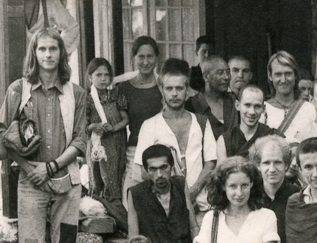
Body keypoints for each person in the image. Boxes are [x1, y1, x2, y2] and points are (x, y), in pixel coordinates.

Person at [0, 28, 87, 243]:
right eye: (42, 49)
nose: (48, 55)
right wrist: (28, 167)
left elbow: (80, 141)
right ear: (33, 53)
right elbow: (4, 137)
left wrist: (50, 167)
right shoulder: (18, 91)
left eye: (54, 49)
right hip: (31, 187)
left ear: (62, 55)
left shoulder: (76, 93)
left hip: (66, 186)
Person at [131, 58, 217, 216]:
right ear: (162, 91)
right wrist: (172, 196)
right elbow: (141, 171)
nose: (174, 93)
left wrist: (192, 192)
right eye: (169, 89)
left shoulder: (202, 122)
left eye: (179, 88)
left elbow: (210, 163)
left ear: (188, 91)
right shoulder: (150, 125)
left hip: (202, 207)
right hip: (164, 209)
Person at [125, 145, 198, 243]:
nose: (159, 175)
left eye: (164, 167)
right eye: (153, 169)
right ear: (146, 171)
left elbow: (193, 227)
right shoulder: (136, 193)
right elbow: (134, 241)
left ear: (172, 167)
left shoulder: (180, 184)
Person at [250, 135, 300, 243]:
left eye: (278, 162)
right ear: (258, 165)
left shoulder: (299, 197)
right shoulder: (249, 199)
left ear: (286, 165)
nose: (272, 169)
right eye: (266, 163)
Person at [84, 58, 129, 228]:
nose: (103, 79)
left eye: (106, 75)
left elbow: (125, 119)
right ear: (90, 77)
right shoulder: (88, 99)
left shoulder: (116, 94)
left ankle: (118, 217)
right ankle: (104, 217)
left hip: (116, 142)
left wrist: (114, 128)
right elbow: (83, 125)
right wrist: (95, 126)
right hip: (98, 145)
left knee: (116, 177)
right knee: (101, 179)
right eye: (98, 75)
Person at [116, 37, 163, 194]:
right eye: (141, 57)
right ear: (133, 58)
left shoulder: (164, 87)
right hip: (134, 153)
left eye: (150, 56)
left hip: (162, 151)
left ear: (157, 58)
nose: (145, 62)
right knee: (130, 199)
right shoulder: (124, 88)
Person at [263, 51, 314, 139]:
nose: (283, 80)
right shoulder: (263, 109)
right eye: (278, 74)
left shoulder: (309, 108)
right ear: (270, 76)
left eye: (288, 74)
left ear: (296, 75)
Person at [218, 85, 277, 159]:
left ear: (263, 108)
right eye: (247, 105)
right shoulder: (226, 140)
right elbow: (222, 169)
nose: (252, 112)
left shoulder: (273, 136)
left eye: (257, 106)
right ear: (237, 105)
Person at [187, 55, 238, 138]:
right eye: (220, 73)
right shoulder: (191, 105)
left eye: (228, 72)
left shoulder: (235, 101)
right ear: (206, 77)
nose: (226, 77)